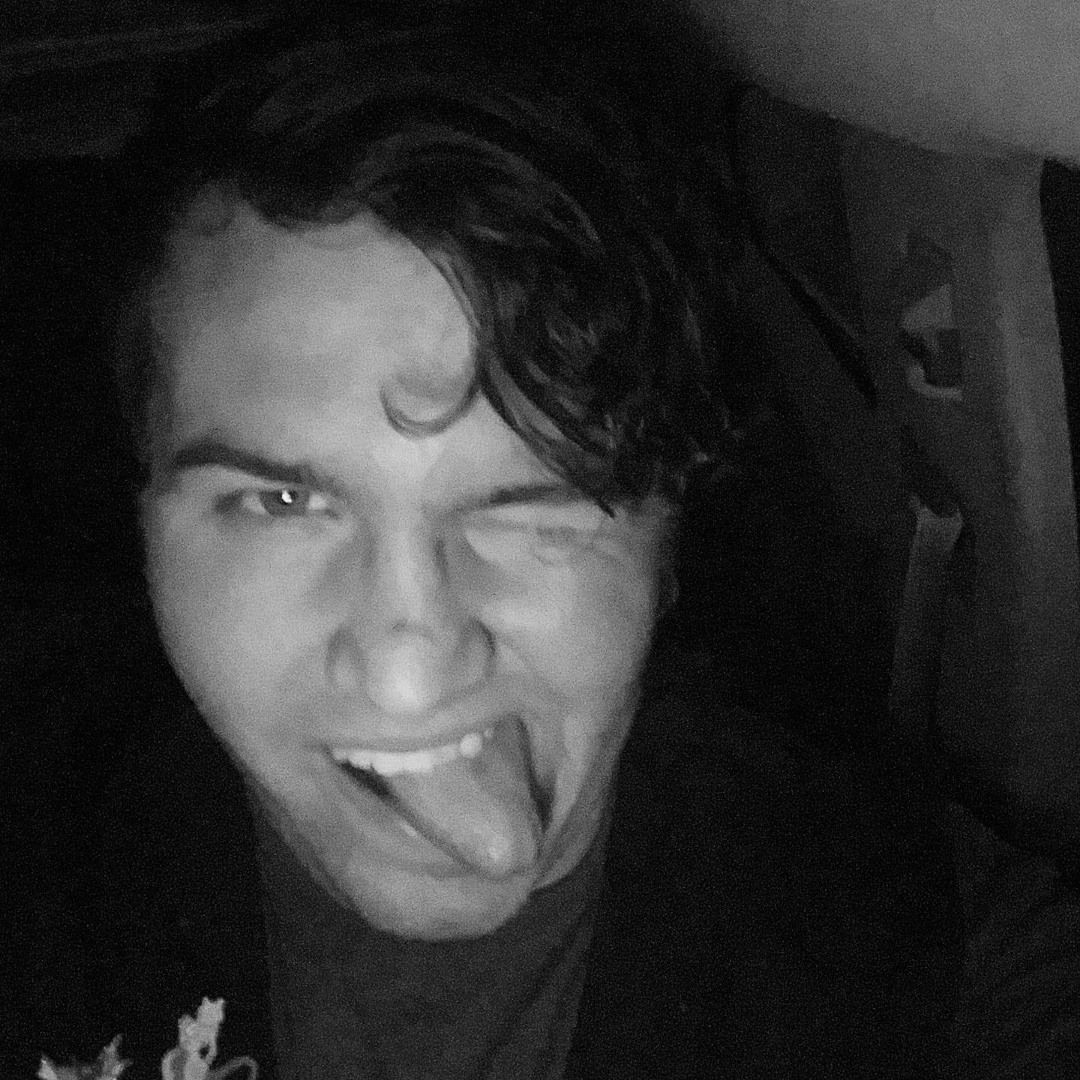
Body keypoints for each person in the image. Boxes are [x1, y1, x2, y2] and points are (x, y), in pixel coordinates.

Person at [3, 4, 1072, 1078]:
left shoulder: (912, 936)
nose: (409, 674)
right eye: (280, 505)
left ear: (667, 543)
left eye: (531, 510)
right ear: (145, 516)